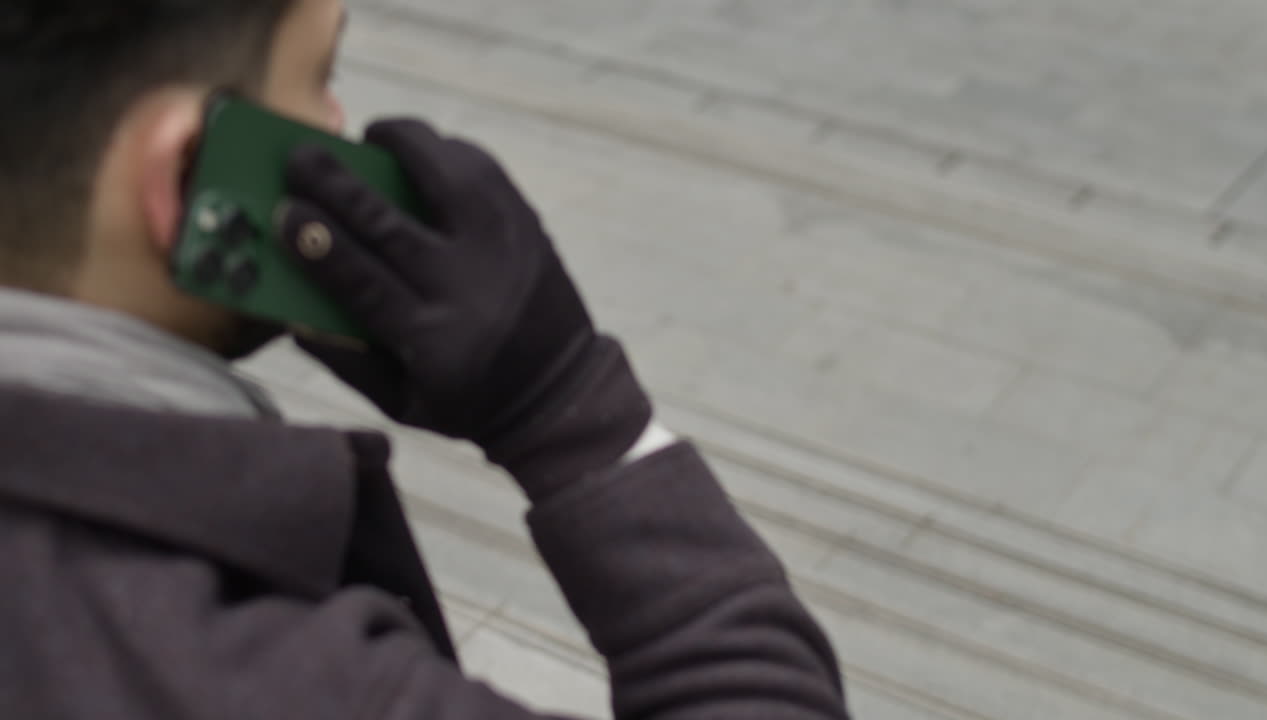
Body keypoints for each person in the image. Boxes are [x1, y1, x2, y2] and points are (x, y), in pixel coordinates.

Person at [0, 2, 850, 718]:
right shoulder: (262, 676)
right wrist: (567, 409)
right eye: (318, 78)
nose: (338, 122)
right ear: (186, 174)